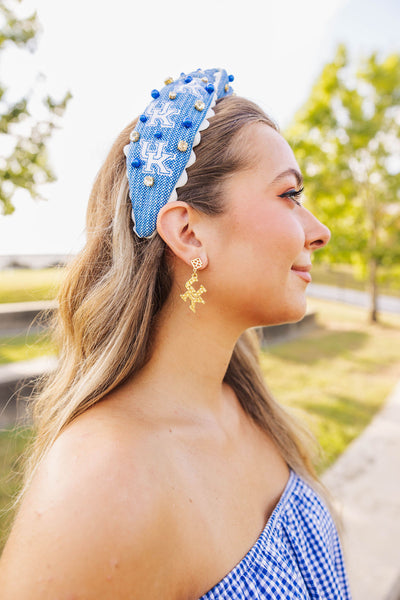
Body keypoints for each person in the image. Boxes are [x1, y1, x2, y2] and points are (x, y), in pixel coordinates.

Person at [0, 68, 352, 599]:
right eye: (290, 194)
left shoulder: (246, 406)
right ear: (188, 232)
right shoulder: (99, 487)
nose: (318, 231)